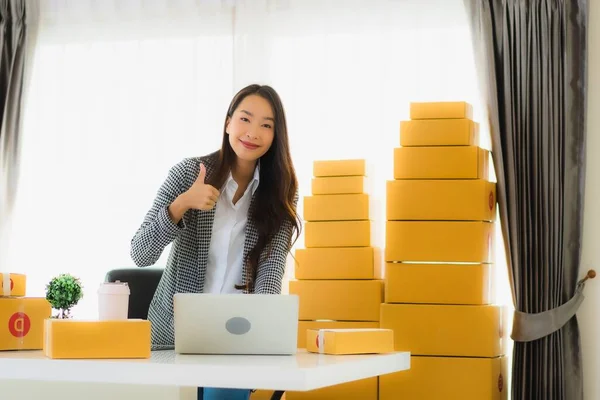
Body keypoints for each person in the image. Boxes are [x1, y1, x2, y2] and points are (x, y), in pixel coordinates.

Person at [130, 84, 301, 400]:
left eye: (266, 125)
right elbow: (141, 252)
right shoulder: (189, 173)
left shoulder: (281, 190)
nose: (253, 132)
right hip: (176, 335)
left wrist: (261, 331)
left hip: (237, 335)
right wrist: (181, 204)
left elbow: (271, 271)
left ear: (276, 135)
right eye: (245, 119)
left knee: (226, 390)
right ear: (227, 123)